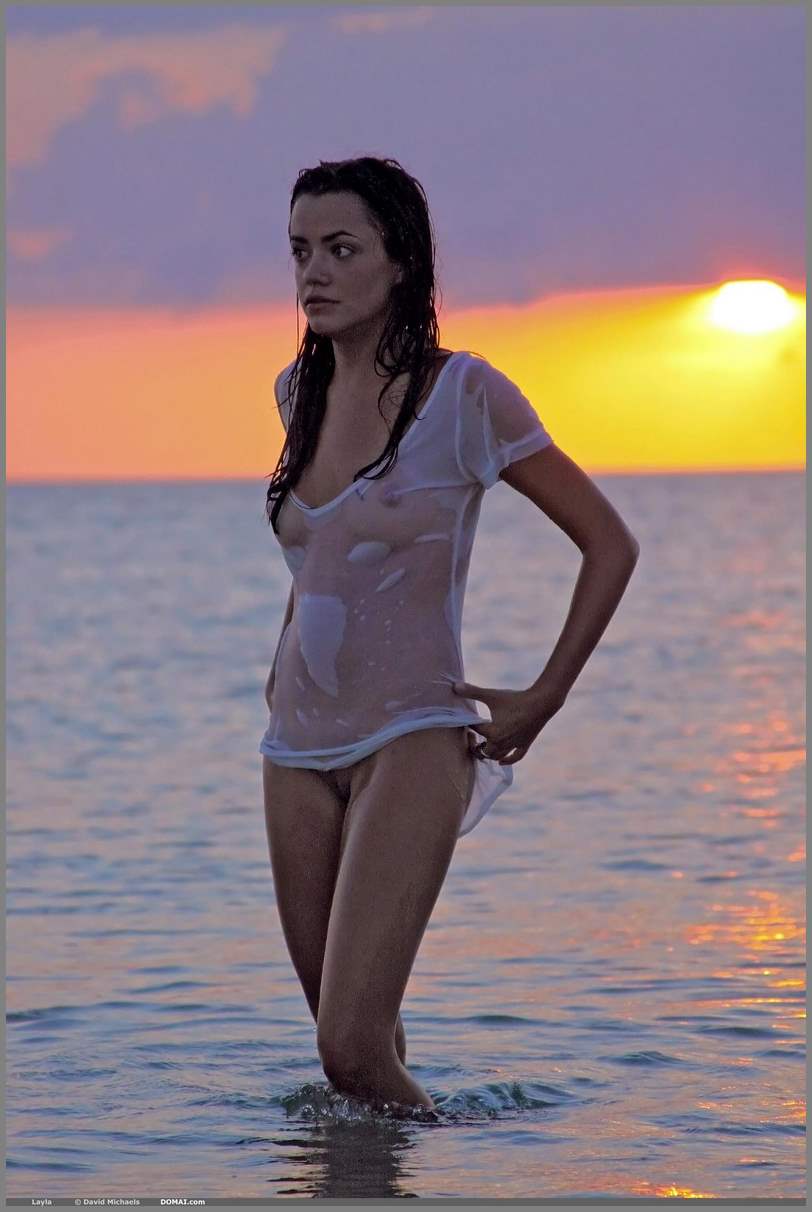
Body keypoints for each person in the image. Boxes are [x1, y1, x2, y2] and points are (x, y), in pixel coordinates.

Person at [260, 156, 639, 1116]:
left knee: (350, 1051)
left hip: (411, 740)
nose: (315, 272)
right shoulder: (296, 393)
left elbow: (609, 543)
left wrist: (545, 696)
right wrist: (280, 666)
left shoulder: (465, 396)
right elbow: (320, 564)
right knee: (358, 1050)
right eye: (300, 250)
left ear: (400, 261)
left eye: (341, 249)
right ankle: (374, 1179)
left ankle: (461, 1165)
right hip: (294, 751)